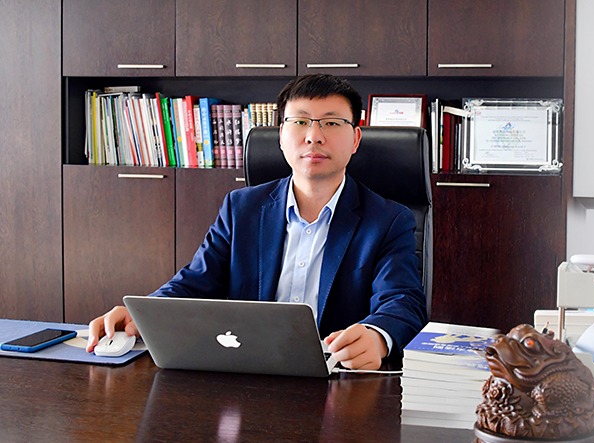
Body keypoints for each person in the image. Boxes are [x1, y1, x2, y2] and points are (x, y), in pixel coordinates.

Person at [86, 74, 427, 371]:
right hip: (246, 371)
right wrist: (143, 313)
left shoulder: (388, 219)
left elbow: (403, 301)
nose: (314, 136)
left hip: (335, 379)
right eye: (300, 122)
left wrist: (377, 336)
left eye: (332, 123)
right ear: (281, 136)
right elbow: (194, 283)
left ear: (355, 139)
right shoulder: (242, 208)